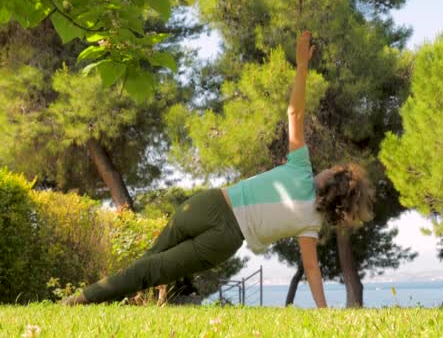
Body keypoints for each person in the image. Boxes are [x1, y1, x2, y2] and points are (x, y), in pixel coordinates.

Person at [63, 31, 374, 308]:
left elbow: (295, 111)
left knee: (150, 263)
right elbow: (312, 269)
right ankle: (88, 299)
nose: (327, 167)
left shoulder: (300, 168)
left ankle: (102, 298)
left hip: (209, 205)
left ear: (333, 180)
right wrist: (322, 312)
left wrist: (303, 65)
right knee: (152, 269)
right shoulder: (311, 224)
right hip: (225, 239)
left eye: (333, 168)